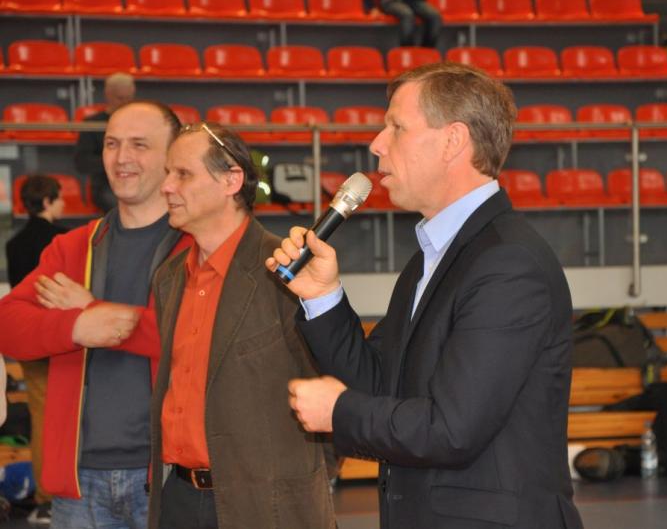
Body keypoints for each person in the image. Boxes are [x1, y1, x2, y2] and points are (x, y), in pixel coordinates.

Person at [268, 62, 584, 529]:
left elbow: (453, 429)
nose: (377, 143)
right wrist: (322, 296)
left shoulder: (508, 264)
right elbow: (381, 385)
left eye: (396, 127)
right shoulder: (435, 257)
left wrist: (340, 411)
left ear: (453, 141)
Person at [0, 100, 188, 529]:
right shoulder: (72, 248)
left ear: (172, 156)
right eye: (111, 144)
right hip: (80, 484)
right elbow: (7, 325)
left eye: (139, 145)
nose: (122, 158)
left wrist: (94, 312)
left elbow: (202, 337)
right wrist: (75, 326)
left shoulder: (197, 245)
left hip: (171, 477)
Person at [148, 122, 335, 529]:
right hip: (179, 498)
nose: (166, 186)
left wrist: (302, 487)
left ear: (231, 180)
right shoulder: (169, 277)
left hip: (268, 506)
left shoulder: (286, 266)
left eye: (183, 174)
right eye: (167, 173)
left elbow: (332, 384)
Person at [5, 174, 67, 525]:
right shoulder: (63, 240)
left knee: (41, 418)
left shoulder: (14, 244)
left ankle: (48, 497)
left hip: (29, 343)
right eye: (58, 198)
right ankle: (49, 497)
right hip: (62, 342)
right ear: (46, 201)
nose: (63, 204)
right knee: (60, 421)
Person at [74, 72, 136, 213]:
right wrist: (115, 162)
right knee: (121, 205)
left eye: (129, 98)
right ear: (108, 95)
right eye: (120, 98)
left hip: (137, 181)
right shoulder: (92, 124)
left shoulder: (140, 122)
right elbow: (82, 162)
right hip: (106, 184)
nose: (125, 103)